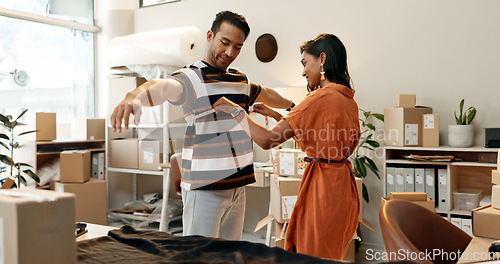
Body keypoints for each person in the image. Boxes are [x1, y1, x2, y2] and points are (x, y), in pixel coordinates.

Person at [110, 10, 294, 240]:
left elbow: (265, 94)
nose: (229, 52)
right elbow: (164, 87)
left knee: (230, 255)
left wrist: (292, 106)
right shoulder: (193, 77)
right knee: (198, 255)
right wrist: (134, 96)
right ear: (210, 36)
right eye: (225, 42)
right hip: (205, 189)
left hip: (238, 188)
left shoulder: (240, 80)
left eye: (237, 47)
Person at [214, 33, 360, 259]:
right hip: (343, 190)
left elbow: (267, 140)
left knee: (311, 256)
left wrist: (235, 111)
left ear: (322, 59)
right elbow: (318, 135)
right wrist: (275, 114)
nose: (303, 72)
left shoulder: (319, 98)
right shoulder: (348, 99)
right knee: (330, 254)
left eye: (305, 64)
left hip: (322, 191)